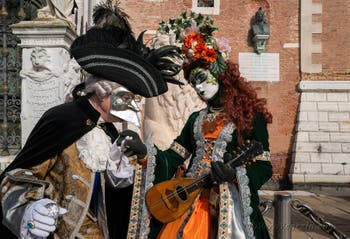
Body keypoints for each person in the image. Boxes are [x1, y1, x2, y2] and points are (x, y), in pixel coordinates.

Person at [0, 2, 181, 239]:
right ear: (105, 91)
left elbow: (112, 204)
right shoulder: (63, 120)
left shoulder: (110, 133)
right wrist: (29, 210)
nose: (133, 106)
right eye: (127, 97)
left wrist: (119, 179)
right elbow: (16, 179)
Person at [139, 12, 273, 238]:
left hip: (229, 205)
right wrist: (145, 153)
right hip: (189, 199)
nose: (198, 88)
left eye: (201, 78)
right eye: (193, 83)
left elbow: (264, 166)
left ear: (218, 73)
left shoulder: (249, 116)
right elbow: (173, 155)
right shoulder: (196, 119)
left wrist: (235, 173)